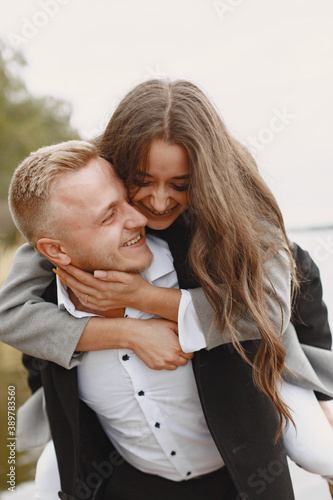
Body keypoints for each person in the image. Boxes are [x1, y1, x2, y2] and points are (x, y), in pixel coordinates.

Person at [7, 139, 333, 500]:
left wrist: (319, 393)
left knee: (321, 451)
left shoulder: (203, 264)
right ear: (54, 251)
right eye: (108, 216)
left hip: (244, 483)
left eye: (126, 200)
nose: (141, 216)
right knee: (47, 479)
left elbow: (293, 271)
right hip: (130, 485)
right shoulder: (41, 317)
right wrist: (128, 333)